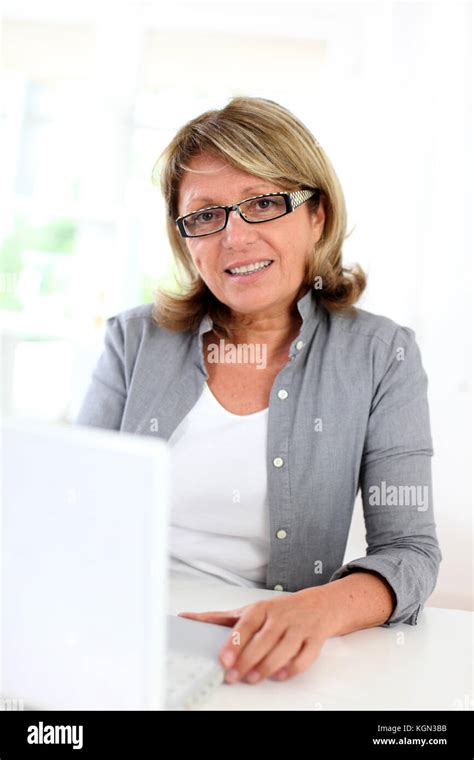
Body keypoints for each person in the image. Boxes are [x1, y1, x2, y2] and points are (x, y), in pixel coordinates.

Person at [76, 96, 442, 686]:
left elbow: (411, 553)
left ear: (316, 216)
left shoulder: (381, 355)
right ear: (185, 238)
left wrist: (319, 609)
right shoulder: (133, 339)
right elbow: (73, 506)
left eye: (264, 204)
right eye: (205, 215)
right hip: (121, 631)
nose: (234, 238)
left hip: (266, 656)